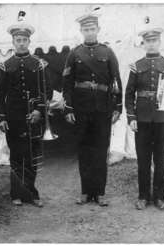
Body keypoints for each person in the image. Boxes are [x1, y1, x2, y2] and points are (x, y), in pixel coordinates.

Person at [62, 13, 123, 206]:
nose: (89, 32)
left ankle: (100, 192)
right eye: (85, 29)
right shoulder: (74, 53)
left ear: (98, 30)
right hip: (81, 108)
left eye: (92, 29)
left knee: (101, 149)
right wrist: (69, 108)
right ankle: (86, 192)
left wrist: (118, 107)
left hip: (102, 108)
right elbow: (67, 83)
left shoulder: (108, 52)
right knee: (84, 149)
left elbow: (116, 81)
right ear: (81, 31)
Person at [0, 14, 52, 207]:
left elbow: (47, 91)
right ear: (13, 41)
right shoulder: (5, 65)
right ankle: (16, 194)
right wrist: (1, 117)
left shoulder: (39, 64)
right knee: (16, 156)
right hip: (13, 118)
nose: (21, 43)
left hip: (33, 118)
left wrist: (39, 112)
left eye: (24, 40)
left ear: (29, 41)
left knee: (32, 156)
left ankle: (32, 194)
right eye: (17, 40)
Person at [125, 27, 164, 210]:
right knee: (143, 159)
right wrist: (131, 117)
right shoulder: (136, 66)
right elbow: (129, 94)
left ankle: (158, 197)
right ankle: (143, 196)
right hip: (141, 119)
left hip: (162, 119)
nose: (151, 44)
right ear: (144, 44)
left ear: (159, 42)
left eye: (154, 41)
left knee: (160, 159)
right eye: (148, 41)